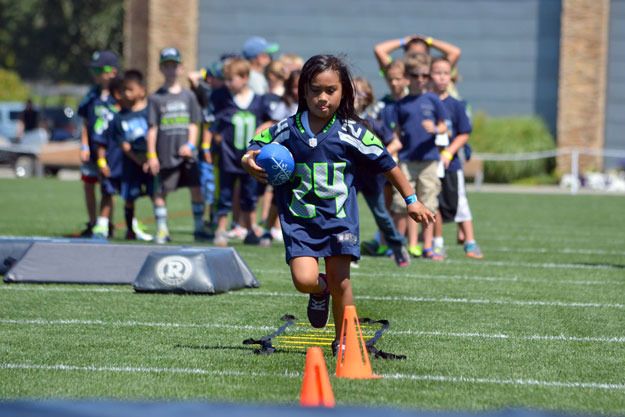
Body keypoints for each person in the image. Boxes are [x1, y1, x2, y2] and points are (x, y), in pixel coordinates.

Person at [242, 54, 435, 352]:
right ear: (302, 91)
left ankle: (344, 340)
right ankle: (319, 292)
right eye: (315, 90)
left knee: (342, 282)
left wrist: (412, 200)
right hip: (300, 221)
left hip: (339, 219)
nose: (322, 98)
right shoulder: (288, 128)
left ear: (344, 91)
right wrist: (249, 160)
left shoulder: (351, 131)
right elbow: (256, 144)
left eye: (330, 91)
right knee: (304, 280)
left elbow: (388, 163)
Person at [146, 47, 210, 244]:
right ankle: (162, 229)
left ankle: (198, 226)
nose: (171, 70)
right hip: (165, 153)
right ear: (161, 68)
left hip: (186, 154)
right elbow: (152, 128)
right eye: (167, 66)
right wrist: (151, 155)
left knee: (196, 188)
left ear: (181, 68)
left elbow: (194, 123)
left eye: (174, 65)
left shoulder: (189, 96)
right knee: (161, 191)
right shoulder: (156, 98)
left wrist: (191, 145)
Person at [209, 57, 273, 246]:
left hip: (250, 156)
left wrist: (261, 130)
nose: (227, 84)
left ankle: (251, 228)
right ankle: (221, 228)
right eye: (226, 79)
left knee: (250, 194)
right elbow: (214, 123)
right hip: (228, 155)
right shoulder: (222, 98)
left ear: (245, 78)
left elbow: (270, 121)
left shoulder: (259, 101)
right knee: (225, 193)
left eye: (231, 79)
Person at [390, 54, 448, 260]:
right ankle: (403, 245)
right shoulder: (401, 104)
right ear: (407, 77)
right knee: (402, 203)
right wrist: (392, 152)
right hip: (406, 159)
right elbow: (396, 133)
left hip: (429, 159)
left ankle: (428, 246)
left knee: (429, 202)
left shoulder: (432, 99)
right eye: (416, 75)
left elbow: (445, 126)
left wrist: (435, 129)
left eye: (425, 75)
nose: (421, 79)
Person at [429, 57, 483, 259]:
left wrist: (449, 151)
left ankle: (470, 242)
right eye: (437, 72)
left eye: (445, 73)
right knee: (434, 204)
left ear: (451, 77)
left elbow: (464, 133)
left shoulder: (456, 105)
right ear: (429, 75)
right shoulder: (424, 102)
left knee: (460, 203)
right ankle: (437, 244)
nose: (441, 77)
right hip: (429, 162)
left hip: (451, 164)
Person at [353, 76, 409, 267]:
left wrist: (379, 156)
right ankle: (349, 253)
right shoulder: (340, 123)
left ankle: (398, 246)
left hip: (371, 177)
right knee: (346, 213)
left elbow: (396, 142)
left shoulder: (372, 123)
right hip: (349, 175)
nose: (353, 96)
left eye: (358, 93)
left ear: (366, 98)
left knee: (381, 214)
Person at [76, 50, 120, 237]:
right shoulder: (92, 95)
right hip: (92, 149)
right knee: (88, 184)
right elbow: (85, 122)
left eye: (99, 70)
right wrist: (84, 145)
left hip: (110, 150)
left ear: (112, 72)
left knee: (107, 186)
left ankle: (105, 222)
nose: (96, 75)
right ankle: (93, 222)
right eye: (94, 71)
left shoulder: (118, 93)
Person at [110, 69, 155, 241]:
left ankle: (162, 229)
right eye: (124, 90)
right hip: (131, 163)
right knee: (130, 197)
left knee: (155, 194)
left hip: (151, 162)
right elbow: (124, 145)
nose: (126, 94)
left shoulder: (151, 111)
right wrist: (139, 161)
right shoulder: (119, 118)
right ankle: (130, 229)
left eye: (130, 89)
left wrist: (149, 158)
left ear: (142, 90)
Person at [374, 34, 462, 98]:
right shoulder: (399, 70)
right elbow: (379, 50)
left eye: (421, 54)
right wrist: (404, 41)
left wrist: (429, 41)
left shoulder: (434, 69)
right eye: (413, 54)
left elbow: (455, 52)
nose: (417, 58)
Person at [92, 76, 124, 239]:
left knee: (130, 196)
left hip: (128, 164)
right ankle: (102, 224)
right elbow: (100, 141)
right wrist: (102, 161)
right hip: (111, 163)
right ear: (118, 94)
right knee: (107, 193)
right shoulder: (108, 115)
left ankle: (131, 225)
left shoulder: (130, 114)